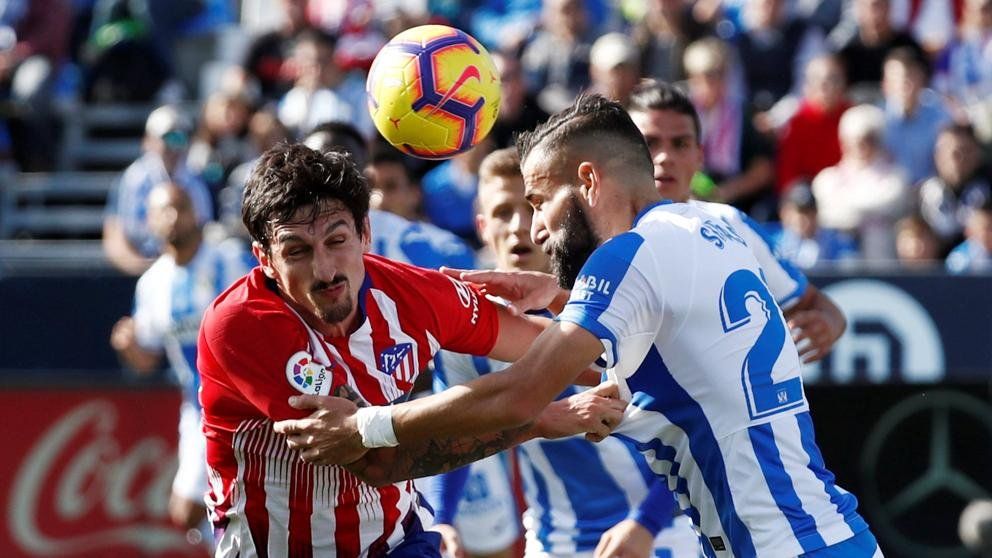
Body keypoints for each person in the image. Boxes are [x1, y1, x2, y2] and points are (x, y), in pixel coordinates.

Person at [280, 94, 881, 557]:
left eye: (541, 200)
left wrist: (368, 425)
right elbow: (682, 322)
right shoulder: (718, 221)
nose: (536, 227)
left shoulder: (630, 259)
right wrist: (565, 291)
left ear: (590, 181)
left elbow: (521, 393)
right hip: (832, 535)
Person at [196, 143, 625, 556]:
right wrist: (535, 421)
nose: (324, 269)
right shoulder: (241, 325)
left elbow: (587, 356)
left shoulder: (415, 295)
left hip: (398, 543)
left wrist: (560, 296)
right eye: (297, 251)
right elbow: (378, 462)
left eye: (337, 240)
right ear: (264, 259)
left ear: (365, 233)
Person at [431, 147, 702, 558]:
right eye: (504, 212)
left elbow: (689, 420)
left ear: (552, 219)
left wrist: (646, 523)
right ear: (482, 227)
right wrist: (441, 520)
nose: (519, 226)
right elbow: (454, 432)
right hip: (554, 539)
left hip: (663, 528)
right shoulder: (465, 328)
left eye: (531, 207)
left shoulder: (617, 296)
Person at [627, 80, 847, 361]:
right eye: (650, 142)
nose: (665, 157)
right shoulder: (591, 232)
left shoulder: (730, 225)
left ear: (699, 155)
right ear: (625, 153)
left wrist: (828, 325)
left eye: (680, 144)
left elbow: (819, 306)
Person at [109, 182, 251, 546]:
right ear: (150, 221)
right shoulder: (152, 284)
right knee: (188, 510)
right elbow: (147, 361)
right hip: (200, 408)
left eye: (179, 207)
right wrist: (128, 346)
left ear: (196, 213)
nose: (171, 218)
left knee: (202, 504)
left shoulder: (228, 259)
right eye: (162, 211)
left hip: (248, 400)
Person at [103, 105, 214, 276]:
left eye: (179, 138)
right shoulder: (130, 180)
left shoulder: (198, 181)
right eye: (167, 137)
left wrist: (179, 268)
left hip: (190, 271)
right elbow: (114, 239)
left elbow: (205, 231)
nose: (174, 146)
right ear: (148, 141)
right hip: (140, 272)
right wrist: (150, 273)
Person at [812, 104, 910, 261]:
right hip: (839, 261)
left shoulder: (896, 176)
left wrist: (846, 206)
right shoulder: (827, 178)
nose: (861, 146)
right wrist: (869, 210)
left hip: (881, 260)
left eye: (869, 139)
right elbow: (827, 214)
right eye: (855, 140)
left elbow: (890, 203)